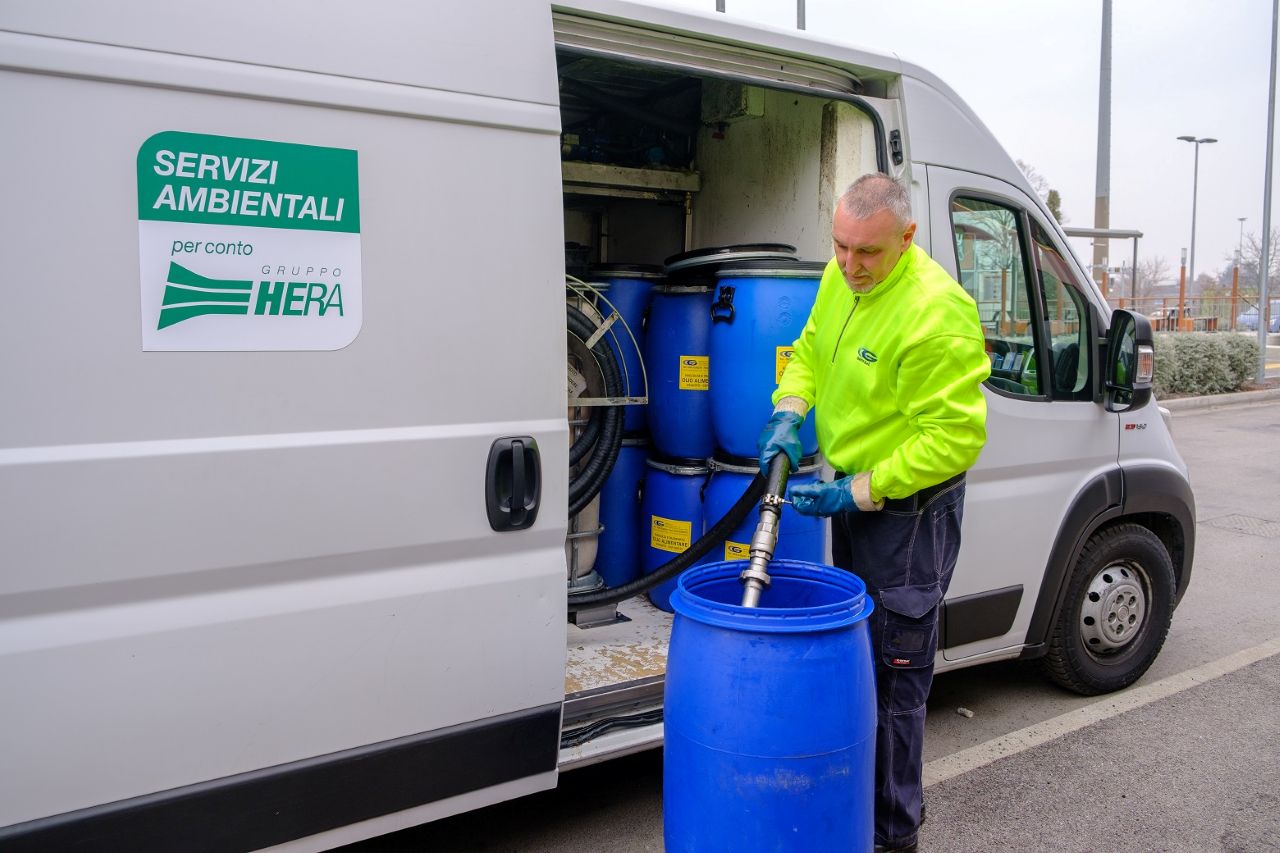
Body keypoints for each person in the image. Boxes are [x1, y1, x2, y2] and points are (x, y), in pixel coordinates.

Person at [757, 173, 990, 853]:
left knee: (894, 680)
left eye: (868, 254)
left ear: (907, 238)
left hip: (910, 513)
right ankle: (854, 816)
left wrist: (855, 490)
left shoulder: (935, 312)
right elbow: (809, 352)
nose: (851, 265)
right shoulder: (842, 278)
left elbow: (953, 439)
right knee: (859, 659)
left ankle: (894, 835)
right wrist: (788, 411)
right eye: (841, 247)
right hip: (857, 497)